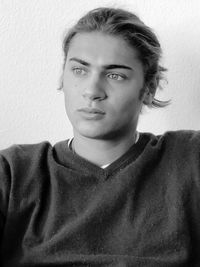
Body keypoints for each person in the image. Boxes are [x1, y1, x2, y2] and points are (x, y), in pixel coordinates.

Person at [0, 6, 200, 267]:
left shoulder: (189, 159)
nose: (92, 90)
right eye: (80, 70)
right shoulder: (14, 172)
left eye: (115, 75)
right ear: (63, 76)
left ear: (148, 89)